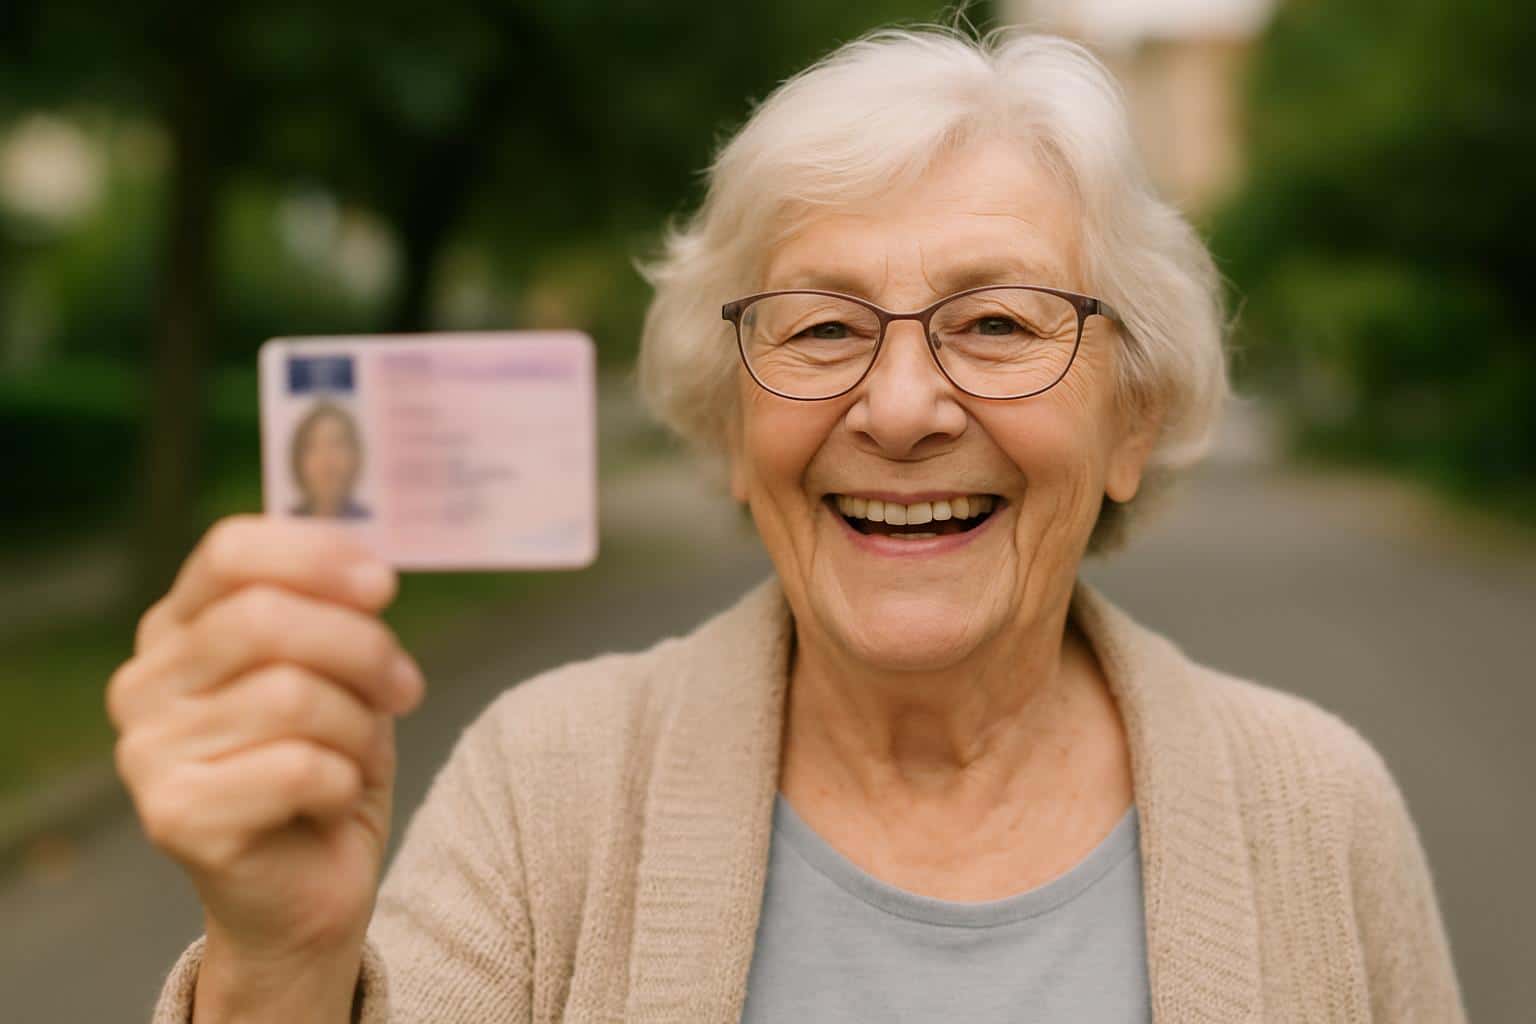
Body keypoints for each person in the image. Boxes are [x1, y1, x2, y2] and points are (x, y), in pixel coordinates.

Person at [109, 27, 1466, 1023]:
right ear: (730, 421)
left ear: (1131, 421)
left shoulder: (1317, 806)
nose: (901, 405)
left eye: (997, 323)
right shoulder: (548, 788)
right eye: (820, 328)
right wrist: (280, 970)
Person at [287, 401, 370, 519]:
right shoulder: (287, 522)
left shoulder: (368, 519)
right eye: (314, 446)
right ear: (298, 460)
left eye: (337, 444)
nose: (327, 460)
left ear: (355, 456)